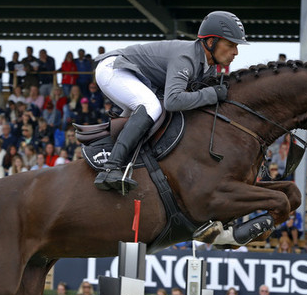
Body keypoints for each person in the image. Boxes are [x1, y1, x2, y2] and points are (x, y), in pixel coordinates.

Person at [92, 10, 247, 194]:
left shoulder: (208, 68)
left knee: (150, 113)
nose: (236, 52)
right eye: (230, 45)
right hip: (114, 68)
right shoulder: (186, 57)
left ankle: (117, 157)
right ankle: (111, 167)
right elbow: (173, 101)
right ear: (211, 42)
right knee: (152, 107)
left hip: (136, 76)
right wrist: (212, 94)